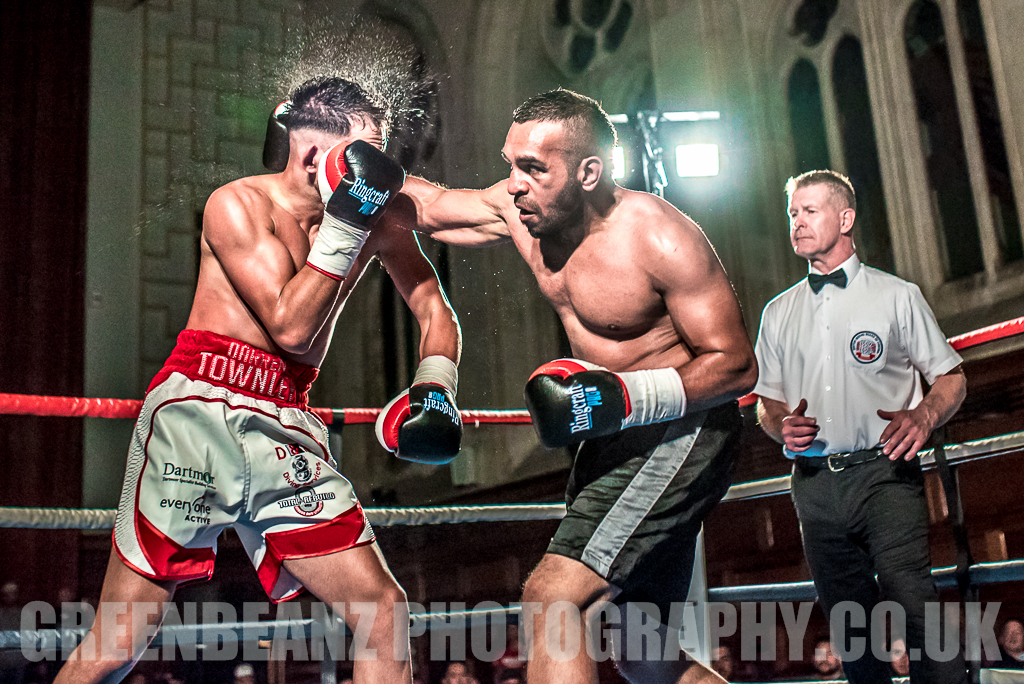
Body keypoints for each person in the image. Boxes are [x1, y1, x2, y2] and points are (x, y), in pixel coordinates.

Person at [54, 76, 464, 684]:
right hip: (201, 409)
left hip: (286, 418)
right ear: (309, 156)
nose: (376, 168)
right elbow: (291, 326)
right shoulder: (237, 205)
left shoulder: (370, 216)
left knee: (383, 611)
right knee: (119, 642)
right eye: (364, 153)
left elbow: (437, 298)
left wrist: (436, 384)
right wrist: (347, 222)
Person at [398, 88, 758, 683]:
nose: (513, 184)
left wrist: (623, 398)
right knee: (644, 657)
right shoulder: (520, 212)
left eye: (534, 168)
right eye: (511, 164)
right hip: (610, 436)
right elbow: (432, 207)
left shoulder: (656, 236)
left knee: (553, 600)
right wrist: (345, 160)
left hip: (681, 434)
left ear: (589, 172)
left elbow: (736, 365)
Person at [753, 169, 969, 683]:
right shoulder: (778, 312)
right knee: (851, 623)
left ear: (845, 217)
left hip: (885, 472)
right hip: (814, 483)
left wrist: (924, 414)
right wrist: (782, 425)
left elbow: (952, 378)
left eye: (810, 211)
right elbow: (767, 404)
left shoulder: (897, 295)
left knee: (913, 600)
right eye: (791, 214)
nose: (797, 223)